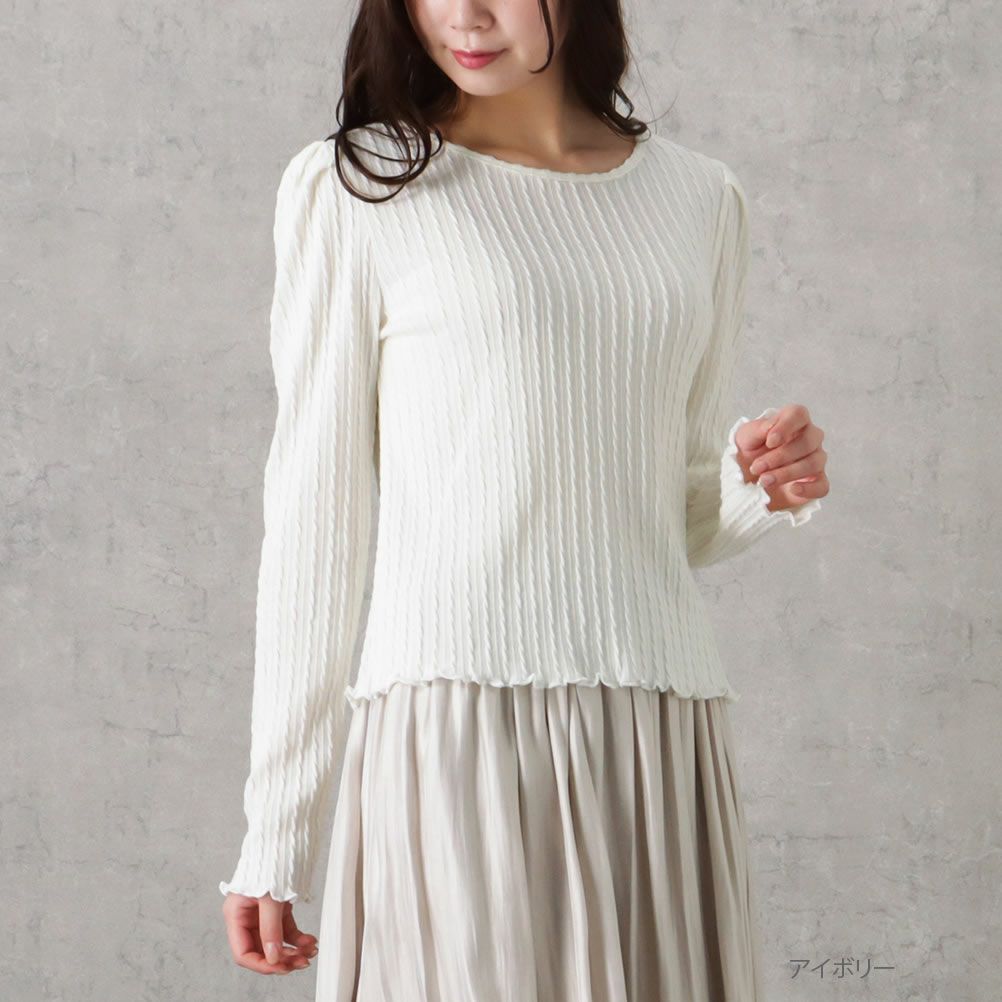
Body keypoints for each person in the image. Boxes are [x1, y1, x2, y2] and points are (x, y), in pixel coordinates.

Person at [218, 0, 829, 998]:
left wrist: (757, 483)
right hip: (456, 727)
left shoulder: (700, 198)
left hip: (656, 736)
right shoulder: (358, 187)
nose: (463, 16)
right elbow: (314, 528)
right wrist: (277, 830)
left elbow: (668, 509)